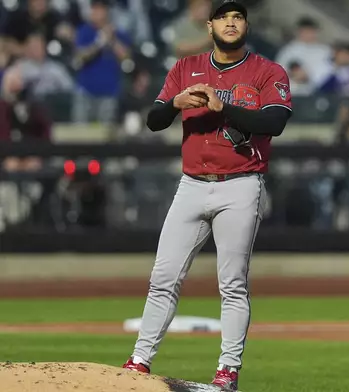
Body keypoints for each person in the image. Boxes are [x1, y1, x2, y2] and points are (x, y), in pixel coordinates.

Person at [120, 1, 292, 391]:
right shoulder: (186, 68)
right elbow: (154, 119)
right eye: (224, 18)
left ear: (246, 25)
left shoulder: (268, 70)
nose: (231, 23)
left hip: (241, 183)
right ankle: (139, 360)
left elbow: (275, 121)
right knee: (163, 276)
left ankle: (227, 371)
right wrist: (175, 103)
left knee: (232, 283)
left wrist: (226, 107)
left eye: (238, 17)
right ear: (209, 25)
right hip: (192, 183)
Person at [72, 0, 131, 125]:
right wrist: (98, 44)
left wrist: (112, 40)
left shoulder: (118, 33)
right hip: (86, 90)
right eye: (95, 8)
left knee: (106, 138)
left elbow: (126, 59)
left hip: (109, 92)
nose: (97, 12)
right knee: (78, 137)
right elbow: (80, 56)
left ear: (107, 11)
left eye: (101, 9)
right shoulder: (84, 31)